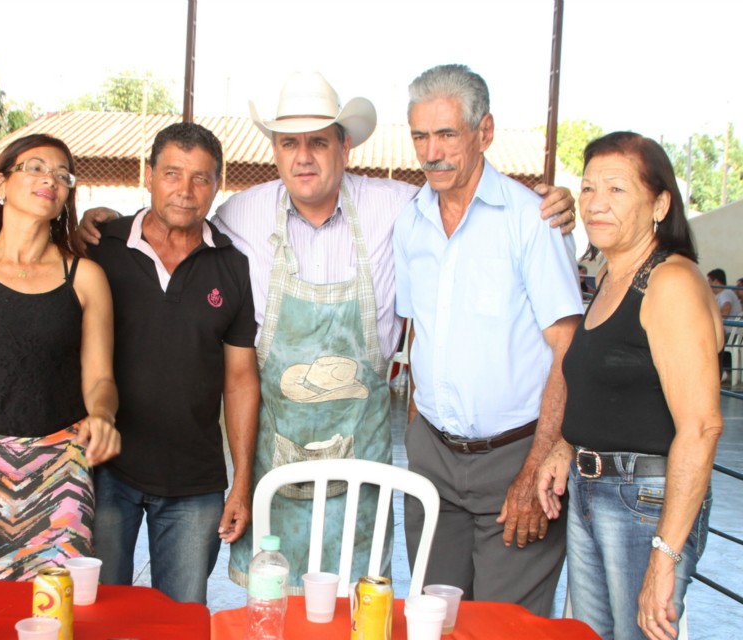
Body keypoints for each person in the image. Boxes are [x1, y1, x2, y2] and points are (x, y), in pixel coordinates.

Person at [77, 72, 575, 594]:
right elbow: (175, 217)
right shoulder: (239, 215)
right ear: (274, 149)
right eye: (290, 143)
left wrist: (542, 201)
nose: (304, 157)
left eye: (319, 141)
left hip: (364, 473)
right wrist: (105, 223)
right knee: (274, 608)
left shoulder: (401, 208)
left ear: (346, 145)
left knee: (359, 610)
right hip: (278, 467)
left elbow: (463, 192)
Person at [395, 64, 582, 616]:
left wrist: (535, 466)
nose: (432, 152)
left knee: (507, 627)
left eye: (447, 134)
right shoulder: (411, 224)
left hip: (515, 458)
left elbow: (567, 350)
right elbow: (416, 341)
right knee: (435, 620)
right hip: (432, 458)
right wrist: (415, 441)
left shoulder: (531, 221)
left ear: (485, 131)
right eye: (420, 137)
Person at [538, 132, 723, 640]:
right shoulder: (612, 278)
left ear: (660, 203)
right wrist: (566, 444)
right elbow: (619, 393)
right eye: (589, 188)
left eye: (617, 190)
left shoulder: (671, 282)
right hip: (593, 489)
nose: (596, 204)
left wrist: (666, 556)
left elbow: (703, 426)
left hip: (644, 501)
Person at [0, 133, 120, 580]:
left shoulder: (85, 277)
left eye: (61, 175)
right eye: (34, 167)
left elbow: (100, 380)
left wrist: (103, 415)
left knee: (56, 612)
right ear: (0, 185)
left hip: (61, 468)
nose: (49, 179)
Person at [85, 123, 258, 604]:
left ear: (218, 186)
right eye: (172, 174)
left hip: (194, 482)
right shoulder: (101, 247)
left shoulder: (232, 266)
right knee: (98, 614)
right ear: (149, 175)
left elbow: (241, 380)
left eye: (201, 178)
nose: (185, 191)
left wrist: (241, 482)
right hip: (107, 470)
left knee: (180, 620)